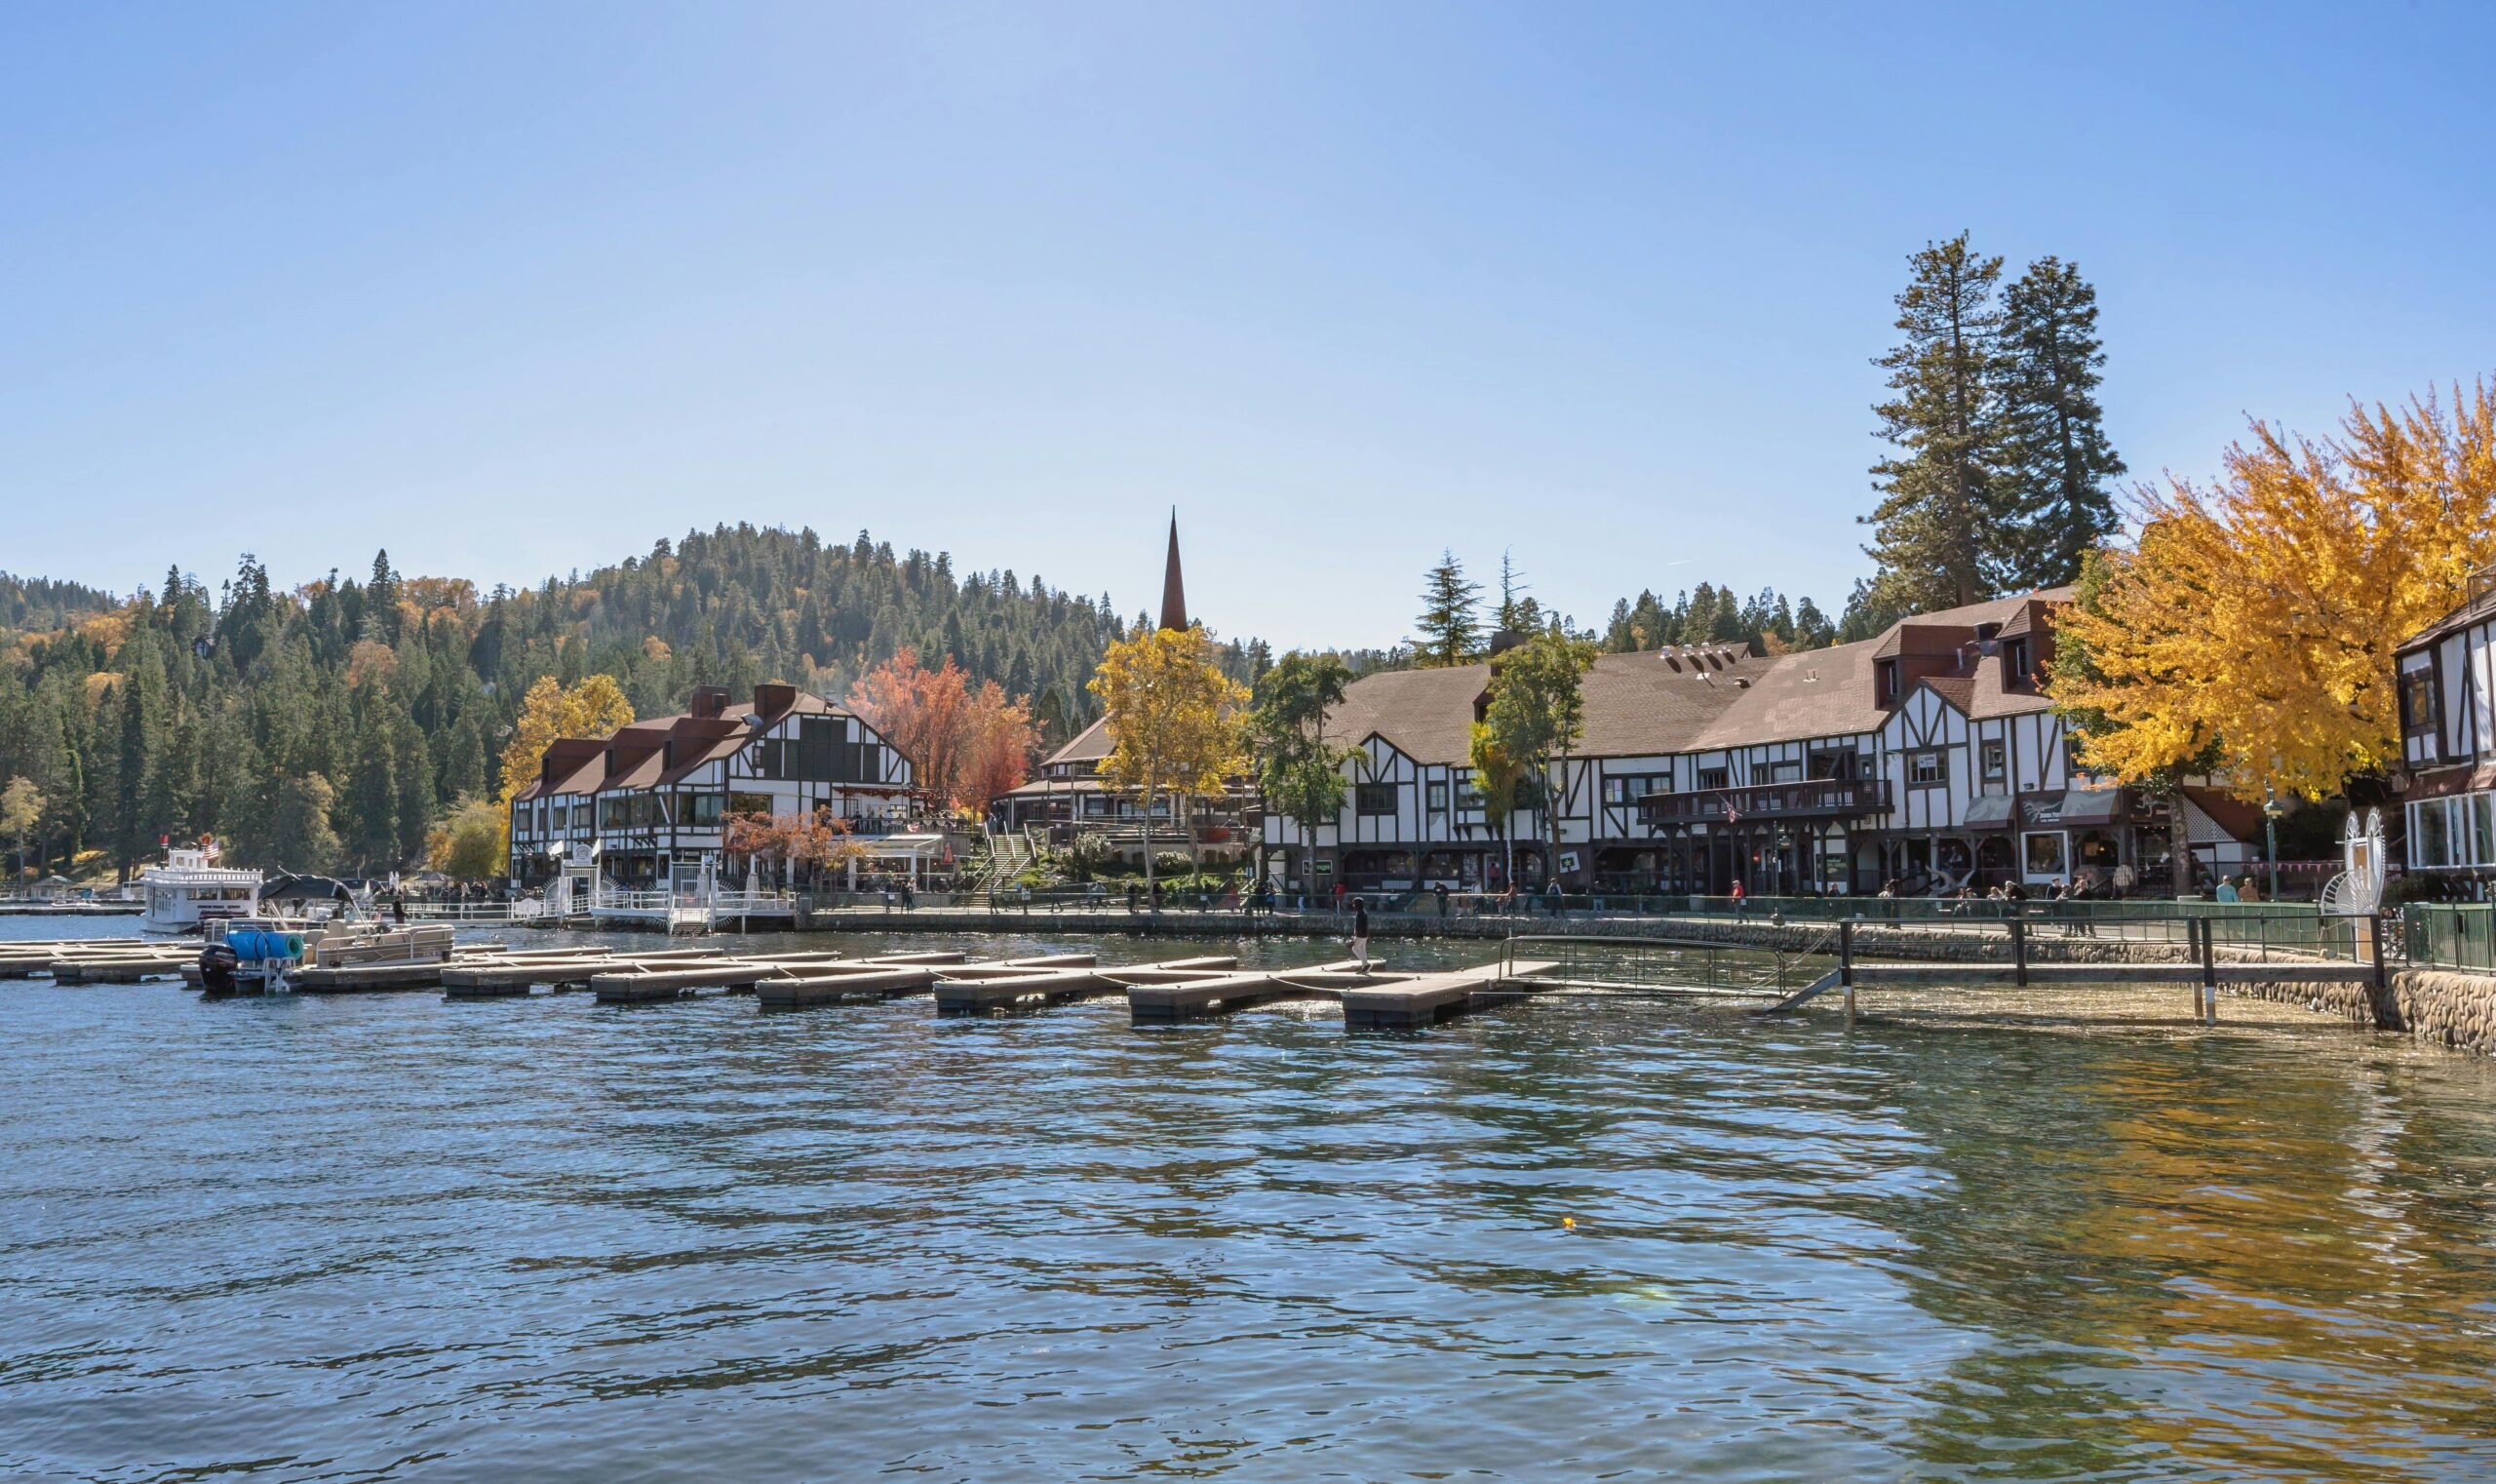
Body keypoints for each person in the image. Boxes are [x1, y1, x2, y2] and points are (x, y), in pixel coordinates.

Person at [1350, 896, 1371, 972]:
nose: (1353, 905)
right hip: (1365, 934)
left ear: (1357, 904)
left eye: (1354, 903)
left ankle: (1366, 964)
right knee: (1362, 950)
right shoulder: (1363, 912)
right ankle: (1365, 968)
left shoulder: (1360, 913)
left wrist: (1356, 935)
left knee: (1354, 948)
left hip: (1360, 934)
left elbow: (1359, 925)